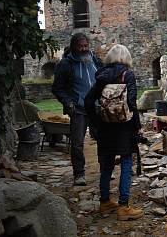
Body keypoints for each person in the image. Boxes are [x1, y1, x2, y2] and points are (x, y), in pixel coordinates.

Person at [84, 44, 143, 220]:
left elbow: (88, 101)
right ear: (126, 58)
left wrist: (96, 122)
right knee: (126, 163)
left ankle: (104, 202)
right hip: (124, 127)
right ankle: (123, 206)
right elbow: (131, 103)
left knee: (107, 164)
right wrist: (137, 126)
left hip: (105, 127)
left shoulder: (102, 76)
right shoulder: (128, 74)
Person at [52, 33, 102, 186]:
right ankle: (79, 174)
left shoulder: (94, 59)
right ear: (73, 47)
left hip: (96, 107)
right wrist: (68, 101)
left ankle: (105, 170)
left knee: (103, 140)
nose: (83, 49)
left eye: (85, 46)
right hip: (78, 108)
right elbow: (57, 88)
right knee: (77, 143)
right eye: (80, 46)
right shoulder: (66, 64)